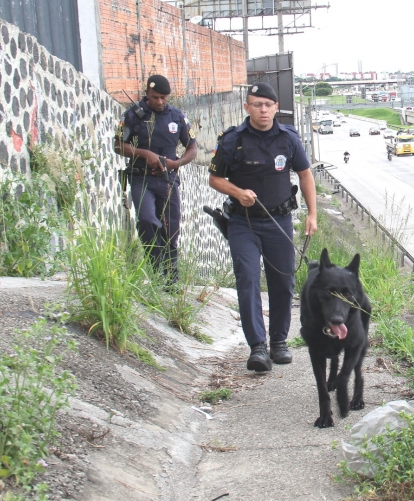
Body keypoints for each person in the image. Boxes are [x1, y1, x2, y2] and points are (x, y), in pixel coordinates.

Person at [208, 82, 318, 372]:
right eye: (257, 104)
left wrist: (312, 215)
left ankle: (279, 342)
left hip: (279, 221)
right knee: (247, 279)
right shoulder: (233, 140)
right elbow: (215, 179)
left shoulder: (288, 139)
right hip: (243, 223)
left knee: (282, 283)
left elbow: (305, 175)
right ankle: (257, 347)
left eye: (268, 105)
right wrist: (237, 192)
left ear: (275, 108)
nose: (263, 110)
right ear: (247, 107)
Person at [115, 74, 197, 284]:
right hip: (140, 178)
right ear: (147, 95)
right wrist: (145, 154)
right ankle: (155, 266)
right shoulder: (132, 115)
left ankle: (171, 279)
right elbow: (118, 145)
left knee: (171, 228)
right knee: (147, 220)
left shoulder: (178, 116)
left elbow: (192, 148)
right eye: (155, 97)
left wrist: (175, 164)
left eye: (164, 97)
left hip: (168, 179)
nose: (160, 101)